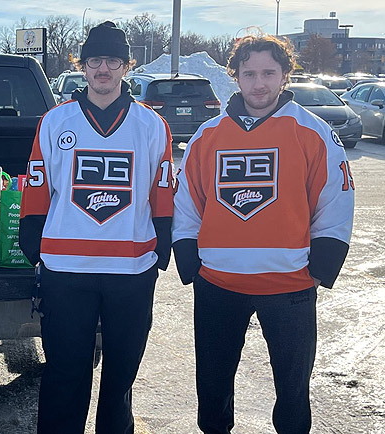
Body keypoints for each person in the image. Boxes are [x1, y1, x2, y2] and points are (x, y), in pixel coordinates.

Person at [172, 34, 354, 434]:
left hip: (290, 285)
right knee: (213, 386)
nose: (259, 83)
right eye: (249, 73)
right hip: (219, 282)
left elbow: (335, 199)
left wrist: (321, 266)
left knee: (292, 393)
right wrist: (190, 260)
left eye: (269, 73)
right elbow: (187, 200)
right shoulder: (208, 135)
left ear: (285, 75)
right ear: (234, 76)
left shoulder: (313, 131)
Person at [19, 21, 174, 434]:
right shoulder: (55, 122)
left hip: (131, 271)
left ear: (126, 66)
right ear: (82, 66)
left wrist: (164, 239)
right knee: (65, 375)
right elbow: (37, 182)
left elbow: (162, 188)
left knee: (120, 377)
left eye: (112, 61)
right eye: (94, 61)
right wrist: (31, 234)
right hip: (66, 272)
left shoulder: (151, 125)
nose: (102, 69)